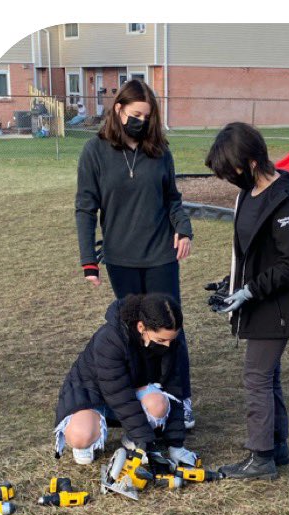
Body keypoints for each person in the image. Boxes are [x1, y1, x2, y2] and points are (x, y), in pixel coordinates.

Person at [76, 79, 196, 428]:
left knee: (169, 325)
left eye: (147, 115)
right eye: (135, 114)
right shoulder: (94, 152)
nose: (141, 120)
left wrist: (183, 228)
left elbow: (173, 198)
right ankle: (144, 393)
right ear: (118, 110)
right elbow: (85, 208)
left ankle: (179, 398)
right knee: (136, 328)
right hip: (119, 258)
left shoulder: (159, 151)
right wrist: (89, 262)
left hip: (160, 254)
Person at [204, 123, 289, 479]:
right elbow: (253, 252)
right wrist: (231, 283)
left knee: (256, 376)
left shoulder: (285, 202)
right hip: (260, 299)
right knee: (268, 375)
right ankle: (277, 446)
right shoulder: (248, 195)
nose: (229, 180)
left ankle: (261, 457)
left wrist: (249, 291)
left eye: (231, 171)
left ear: (251, 162)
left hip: (277, 305)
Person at [53, 293, 197, 468]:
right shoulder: (110, 339)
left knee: (158, 403)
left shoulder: (171, 341)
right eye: (161, 340)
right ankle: (91, 433)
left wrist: (176, 446)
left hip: (131, 392)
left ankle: (131, 437)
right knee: (80, 436)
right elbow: (119, 396)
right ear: (141, 326)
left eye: (171, 340)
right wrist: (145, 442)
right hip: (92, 395)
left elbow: (174, 391)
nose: (167, 345)